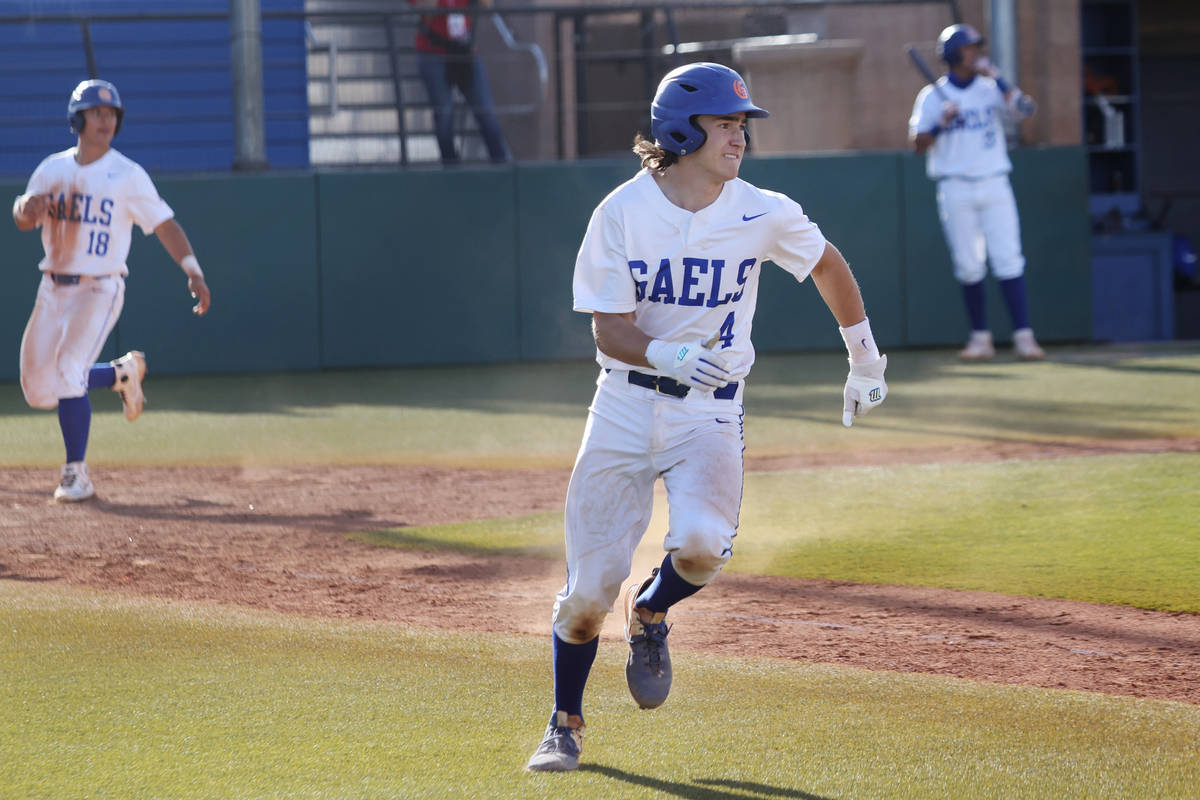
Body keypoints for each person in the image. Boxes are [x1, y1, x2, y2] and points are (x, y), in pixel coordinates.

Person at [525, 62, 888, 772]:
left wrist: (865, 358)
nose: (739, 137)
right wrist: (668, 354)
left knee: (701, 544)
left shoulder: (762, 209)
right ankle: (564, 723)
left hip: (711, 415)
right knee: (589, 594)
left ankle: (654, 611)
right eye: (725, 123)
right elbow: (609, 328)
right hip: (625, 406)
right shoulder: (622, 212)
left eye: (742, 124)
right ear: (681, 130)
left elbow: (827, 265)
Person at [13, 78, 212, 502]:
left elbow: (164, 224)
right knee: (38, 390)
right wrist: (25, 209)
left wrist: (192, 269)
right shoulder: (53, 169)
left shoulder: (127, 175)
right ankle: (120, 374)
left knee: (68, 366)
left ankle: (76, 474)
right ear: (77, 118)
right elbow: (23, 214)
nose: (105, 120)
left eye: (111, 114)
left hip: (99, 289)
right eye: (97, 112)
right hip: (53, 288)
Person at [909, 23, 1045, 361]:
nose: (977, 53)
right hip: (955, 186)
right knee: (969, 266)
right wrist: (942, 122)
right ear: (954, 54)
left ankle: (1024, 337)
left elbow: (1027, 111)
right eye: (970, 49)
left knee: (1009, 258)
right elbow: (917, 145)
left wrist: (998, 78)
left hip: (994, 181)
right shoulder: (932, 97)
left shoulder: (989, 89)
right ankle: (980, 338)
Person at [410, 0, 511, 165]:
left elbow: (487, 4)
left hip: (465, 52)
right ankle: (451, 167)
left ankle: (501, 165)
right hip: (432, 53)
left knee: (486, 111)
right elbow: (425, 7)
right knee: (444, 114)